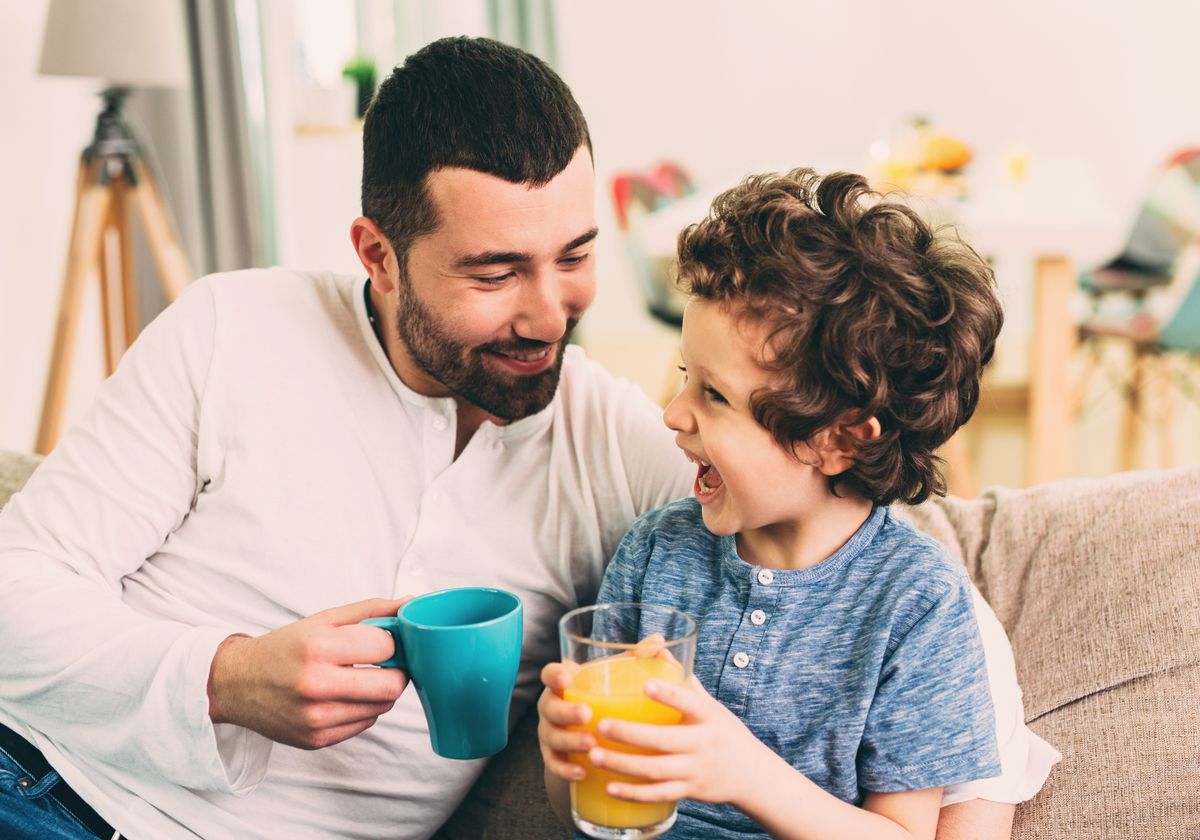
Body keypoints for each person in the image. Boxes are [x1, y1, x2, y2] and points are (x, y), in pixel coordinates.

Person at [0, 36, 1048, 840]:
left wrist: (976, 790)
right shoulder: (234, 329)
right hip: (50, 792)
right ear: (380, 252)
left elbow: (878, 564)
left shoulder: (624, 449)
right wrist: (224, 677)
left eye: (576, 254)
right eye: (496, 273)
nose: (549, 314)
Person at [537, 170, 1061, 839]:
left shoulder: (916, 607)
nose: (673, 414)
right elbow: (583, 808)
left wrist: (744, 773)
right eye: (683, 378)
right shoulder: (656, 552)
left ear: (837, 438)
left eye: (714, 396)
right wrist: (567, 762)